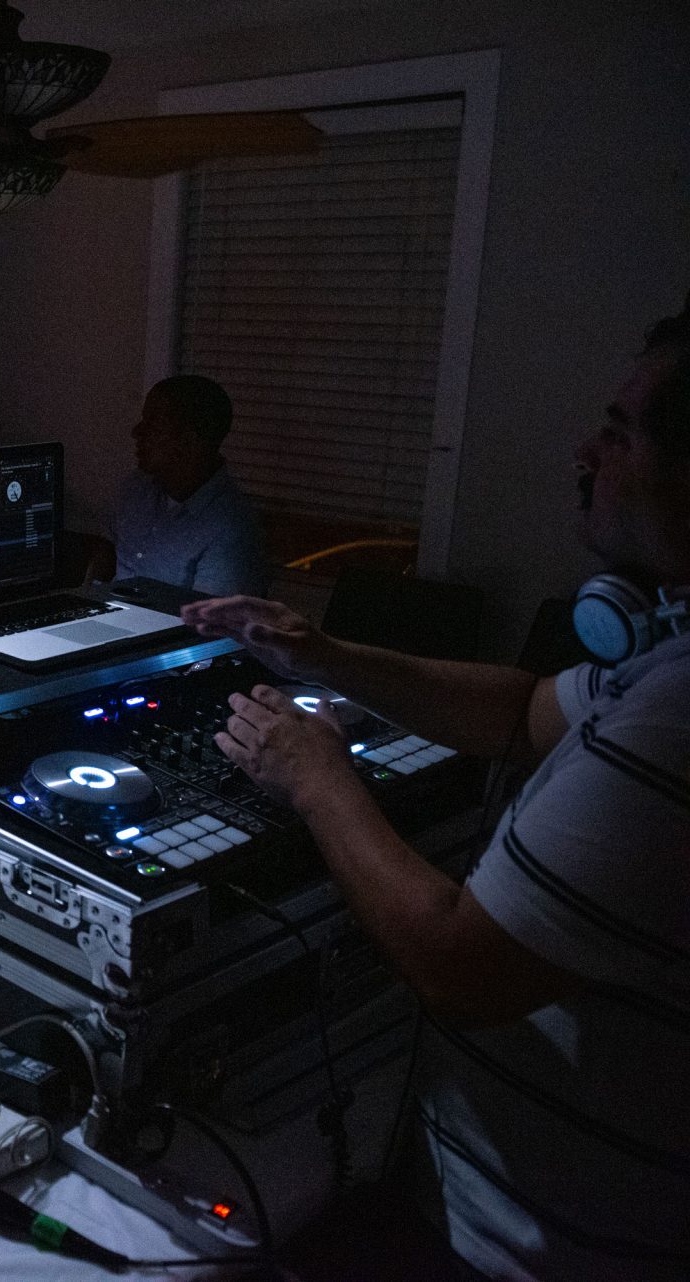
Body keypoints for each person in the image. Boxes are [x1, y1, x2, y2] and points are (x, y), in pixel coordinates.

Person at [181, 301, 690, 1281]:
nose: (588, 447)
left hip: (534, 1250)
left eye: (621, 432)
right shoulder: (663, 654)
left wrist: (320, 778)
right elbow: (523, 710)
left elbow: (462, 963)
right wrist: (321, 651)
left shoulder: (677, 722)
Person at [89, 374, 267, 597]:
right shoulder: (136, 487)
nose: (137, 432)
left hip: (167, 628)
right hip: (109, 615)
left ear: (188, 442)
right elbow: (104, 554)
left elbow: (212, 626)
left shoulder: (230, 529)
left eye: (153, 426)